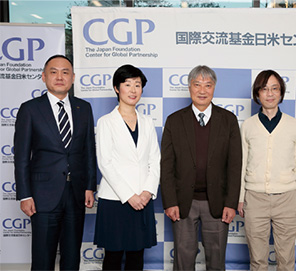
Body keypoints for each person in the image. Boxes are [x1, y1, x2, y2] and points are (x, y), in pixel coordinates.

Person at [14, 55, 97, 270]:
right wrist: (25, 194)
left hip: (76, 194)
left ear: (73, 77)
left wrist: (90, 186)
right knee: (43, 259)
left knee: (71, 259)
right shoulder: (30, 109)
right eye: (53, 72)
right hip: (43, 196)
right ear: (43, 77)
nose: (60, 77)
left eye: (65, 72)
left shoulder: (84, 108)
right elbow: (22, 157)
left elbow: (89, 150)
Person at [160, 65, 242, 270]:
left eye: (208, 85)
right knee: (183, 262)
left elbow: (235, 165)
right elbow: (167, 165)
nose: (202, 90)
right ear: (189, 87)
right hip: (182, 204)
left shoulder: (228, 120)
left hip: (218, 204)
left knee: (216, 261)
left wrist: (231, 203)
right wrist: (170, 201)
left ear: (214, 88)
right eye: (197, 85)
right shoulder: (174, 120)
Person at [237, 70, 296, 271]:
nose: (269, 93)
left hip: (287, 198)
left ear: (281, 93)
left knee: (286, 260)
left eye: (274, 88)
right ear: (257, 94)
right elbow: (242, 164)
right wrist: (241, 197)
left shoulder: (295, 125)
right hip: (255, 198)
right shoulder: (248, 126)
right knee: (257, 260)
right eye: (264, 89)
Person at [94, 64, 160, 271]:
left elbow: (155, 160)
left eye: (137, 85)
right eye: (127, 84)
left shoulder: (148, 122)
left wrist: (147, 191)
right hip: (116, 200)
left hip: (143, 198)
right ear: (117, 88)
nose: (133, 90)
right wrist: (130, 196)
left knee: (136, 255)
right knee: (113, 257)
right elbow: (105, 162)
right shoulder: (106, 122)